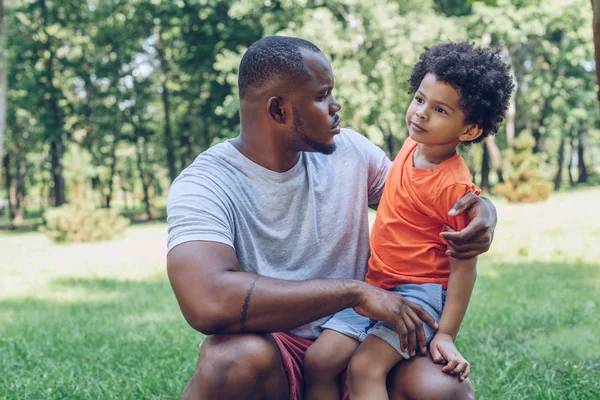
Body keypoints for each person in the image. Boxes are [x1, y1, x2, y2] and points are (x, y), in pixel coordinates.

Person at [166, 36, 497, 400]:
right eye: (322, 96)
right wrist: (354, 292)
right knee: (229, 362)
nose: (336, 105)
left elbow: (422, 200)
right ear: (279, 111)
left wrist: (484, 209)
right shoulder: (206, 183)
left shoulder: (349, 150)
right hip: (276, 354)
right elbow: (207, 302)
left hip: (360, 340)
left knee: (442, 390)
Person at [303, 42, 513, 400]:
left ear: (470, 130)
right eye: (419, 99)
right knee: (319, 360)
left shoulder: (454, 188)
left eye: (440, 109)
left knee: (365, 368)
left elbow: (463, 269)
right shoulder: (411, 146)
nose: (421, 114)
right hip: (376, 287)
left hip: (420, 296)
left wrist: (446, 334)